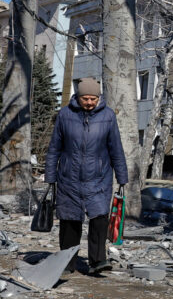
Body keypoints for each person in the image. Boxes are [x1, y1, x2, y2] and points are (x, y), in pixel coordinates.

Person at [45, 77, 128, 274]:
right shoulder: (64, 115)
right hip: (69, 177)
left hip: (99, 177)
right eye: (86, 99)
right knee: (70, 220)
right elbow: (54, 148)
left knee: (99, 219)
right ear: (78, 97)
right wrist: (50, 177)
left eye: (93, 99)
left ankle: (98, 261)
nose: (89, 103)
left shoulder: (108, 116)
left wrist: (122, 178)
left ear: (98, 98)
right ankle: (66, 262)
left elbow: (116, 149)